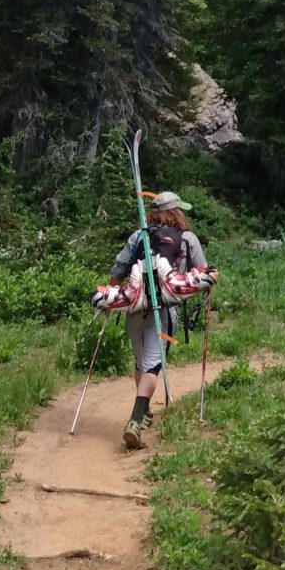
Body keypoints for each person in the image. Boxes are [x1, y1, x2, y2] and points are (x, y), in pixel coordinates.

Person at [108, 191, 208, 450]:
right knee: (153, 366)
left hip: (133, 308)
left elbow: (118, 269)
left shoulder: (138, 236)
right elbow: (202, 272)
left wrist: (110, 298)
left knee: (140, 362)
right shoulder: (187, 239)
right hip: (163, 311)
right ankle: (134, 420)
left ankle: (146, 412)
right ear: (175, 212)